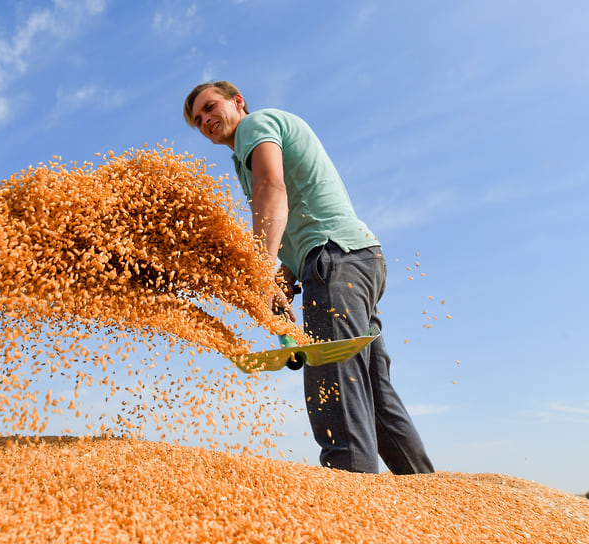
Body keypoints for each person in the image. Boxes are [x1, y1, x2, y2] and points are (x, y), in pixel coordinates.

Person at [183, 81, 434, 475]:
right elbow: (296, 217)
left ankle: (348, 506)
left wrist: (260, 270)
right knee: (372, 387)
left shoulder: (255, 126)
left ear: (238, 101)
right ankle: (429, 497)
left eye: (210, 107)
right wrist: (284, 275)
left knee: (334, 382)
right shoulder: (247, 149)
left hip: (335, 259)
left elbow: (272, 188)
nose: (206, 121)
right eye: (198, 120)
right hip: (358, 258)